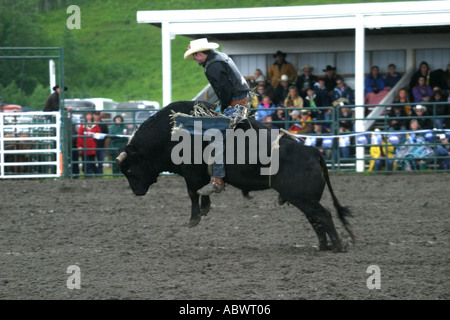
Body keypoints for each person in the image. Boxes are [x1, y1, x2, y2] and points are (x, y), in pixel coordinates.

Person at [184, 38, 250, 195]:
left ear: (201, 53)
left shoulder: (213, 65)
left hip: (236, 103)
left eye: (195, 55)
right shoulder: (219, 57)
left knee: (217, 134)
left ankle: (218, 179)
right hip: (239, 99)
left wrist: (222, 108)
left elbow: (225, 90)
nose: (194, 58)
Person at [77, 112, 101, 176]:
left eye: (90, 115)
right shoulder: (82, 126)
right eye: (88, 115)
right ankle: (86, 174)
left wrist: (94, 134)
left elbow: (99, 134)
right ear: (86, 116)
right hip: (84, 146)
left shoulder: (95, 125)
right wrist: (79, 146)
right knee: (85, 161)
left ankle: (97, 174)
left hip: (92, 146)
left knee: (92, 161)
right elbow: (79, 136)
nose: (89, 116)